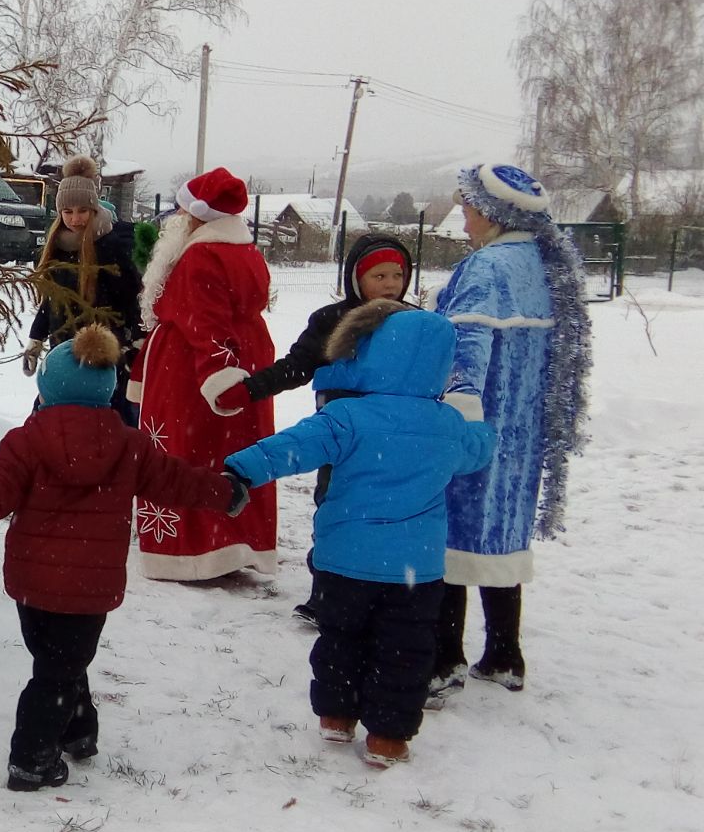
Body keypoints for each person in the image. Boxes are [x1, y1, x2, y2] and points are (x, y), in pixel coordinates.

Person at [0, 325, 242, 790]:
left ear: (48, 388)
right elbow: (178, 481)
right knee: (60, 668)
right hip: (88, 591)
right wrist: (226, 491)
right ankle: (33, 761)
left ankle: (77, 732)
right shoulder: (130, 446)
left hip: (33, 584)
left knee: (56, 663)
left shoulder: (28, 440)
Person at [225, 301, 496, 767]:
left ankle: (336, 715)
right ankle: (389, 736)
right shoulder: (447, 424)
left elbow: (293, 446)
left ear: (371, 353)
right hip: (415, 567)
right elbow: (477, 451)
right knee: (406, 648)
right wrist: (486, 429)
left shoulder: (349, 416)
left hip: (345, 560)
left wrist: (241, 470)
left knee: (340, 636)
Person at [426, 163, 592, 704]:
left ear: (493, 212)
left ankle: (444, 656)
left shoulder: (486, 268)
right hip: (523, 431)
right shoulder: (544, 267)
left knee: (451, 534)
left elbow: (465, 350)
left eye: (470, 208)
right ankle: (504, 653)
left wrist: (459, 416)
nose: (466, 219)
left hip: (478, 429)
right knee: (501, 533)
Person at [204, 232, 415, 624]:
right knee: (334, 508)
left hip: (396, 440)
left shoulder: (414, 324)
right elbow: (297, 365)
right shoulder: (332, 321)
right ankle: (326, 593)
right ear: (355, 278)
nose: (390, 285)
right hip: (341, 436)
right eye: (378, 276)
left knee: (390, 516)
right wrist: (250, 389)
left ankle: (383, 594)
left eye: (397, 275)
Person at [126, 167, 278, 580]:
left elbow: (204, 322)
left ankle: (192, 549)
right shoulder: (246, 251)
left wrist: (218, 375)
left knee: (185, 452)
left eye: (181, 209)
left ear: (195, 214)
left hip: (193, 373)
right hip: (242, 360)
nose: (176, 216)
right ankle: (235, 538)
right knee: (235, 449)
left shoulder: (200, 255)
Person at [22, 156, 143, 423]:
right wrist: (36, 338)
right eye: (68, 212)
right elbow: (54, 300)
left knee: (110, 422)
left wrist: (135, 344)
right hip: (62, 352)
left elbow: (132, 299)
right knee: (55, 419)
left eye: (82, 210)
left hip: (104, 355)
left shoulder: (110, 246)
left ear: (94, 208)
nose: (75, 219)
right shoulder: (57, 246)